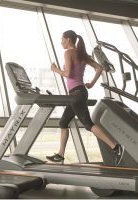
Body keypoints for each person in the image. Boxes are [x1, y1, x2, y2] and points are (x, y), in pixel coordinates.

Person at [46, 30, 124, 166]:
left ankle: (116, 147)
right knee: (63, 122)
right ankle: (60, 154)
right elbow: (99, 68)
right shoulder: (82, 54)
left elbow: (68, 73)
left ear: (68, 39)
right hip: (78, 92)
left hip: (76, 93)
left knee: (88, 124)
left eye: (62, 39)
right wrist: (91, 84)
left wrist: (55, 69)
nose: (61, 42)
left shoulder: (68, 53)